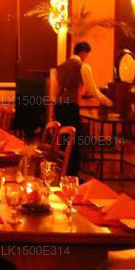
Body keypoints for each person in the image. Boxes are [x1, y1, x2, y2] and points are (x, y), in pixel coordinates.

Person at [50, 41, 113, 174]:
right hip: (70, 107)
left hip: (59, 106)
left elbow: (55, 90)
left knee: (64, 140)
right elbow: (93, 90)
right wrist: (109, 102)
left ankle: (63, 171)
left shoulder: (61, 67)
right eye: (87, 54)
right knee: (74, 141)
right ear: (83, 52)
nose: (87, 57)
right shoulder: (83, 67)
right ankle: (72, 174)